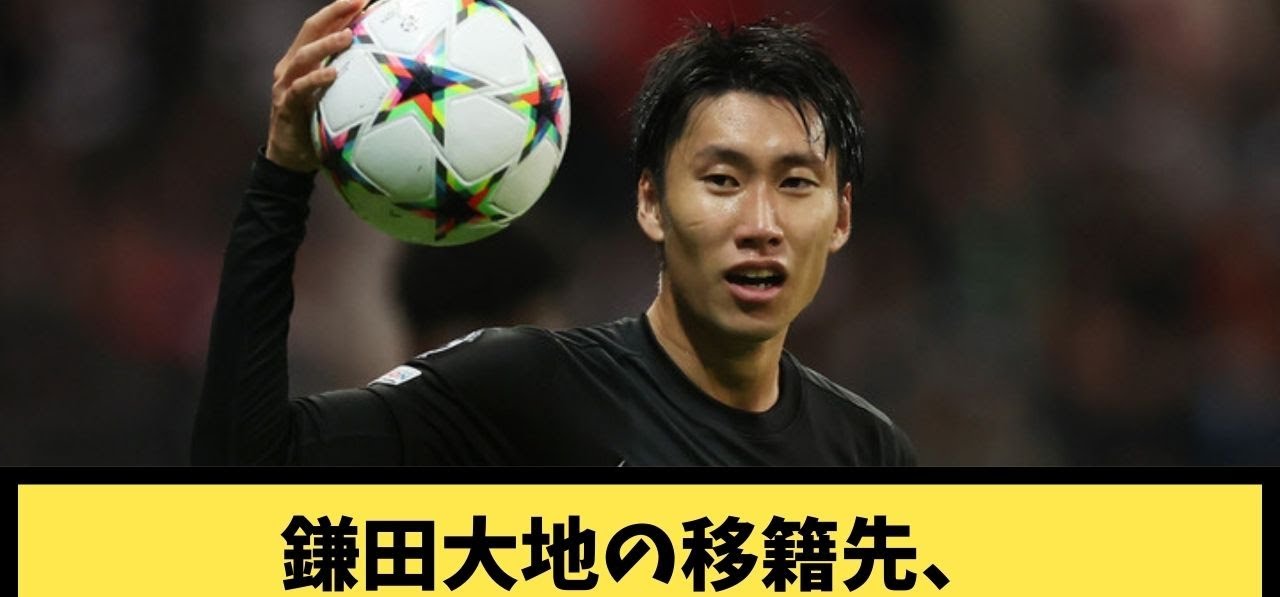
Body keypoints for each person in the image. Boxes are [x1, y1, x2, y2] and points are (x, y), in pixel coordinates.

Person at [191, 0, 916, 466]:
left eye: (796, 183)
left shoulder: (865, 449)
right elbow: (241, 466)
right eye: (723, 180)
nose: (760, 225)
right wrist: (281, 179)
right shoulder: (523, 384)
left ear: (841, 217)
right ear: (651, 204)